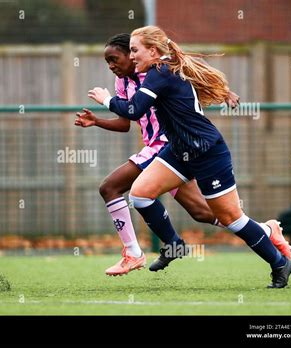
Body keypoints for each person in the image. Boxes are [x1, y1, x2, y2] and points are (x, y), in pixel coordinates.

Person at [88, 26, 291, 288]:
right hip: (178, 150)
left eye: (135, 50)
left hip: (207, 151)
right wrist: (223, 91)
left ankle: (279, 262)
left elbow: (133, 108)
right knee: (140, 194)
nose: (133, 56)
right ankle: (173, 244)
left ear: (152, 51)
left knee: (231, 218)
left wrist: (106, 100)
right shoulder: (161, 70)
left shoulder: (159, 73)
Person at [75, 33, 242, 276]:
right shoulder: (122, 83)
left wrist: (225, 91)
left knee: (109, 187)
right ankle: (266, 233)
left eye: (115, 58)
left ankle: (135, 253)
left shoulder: (160, 71)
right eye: (107, 62)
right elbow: (125, 122)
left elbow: (196, 71)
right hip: (158, 148)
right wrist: (97, 121)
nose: (111, 66)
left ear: (134, 55)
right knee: (202, 212)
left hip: (167, 145)